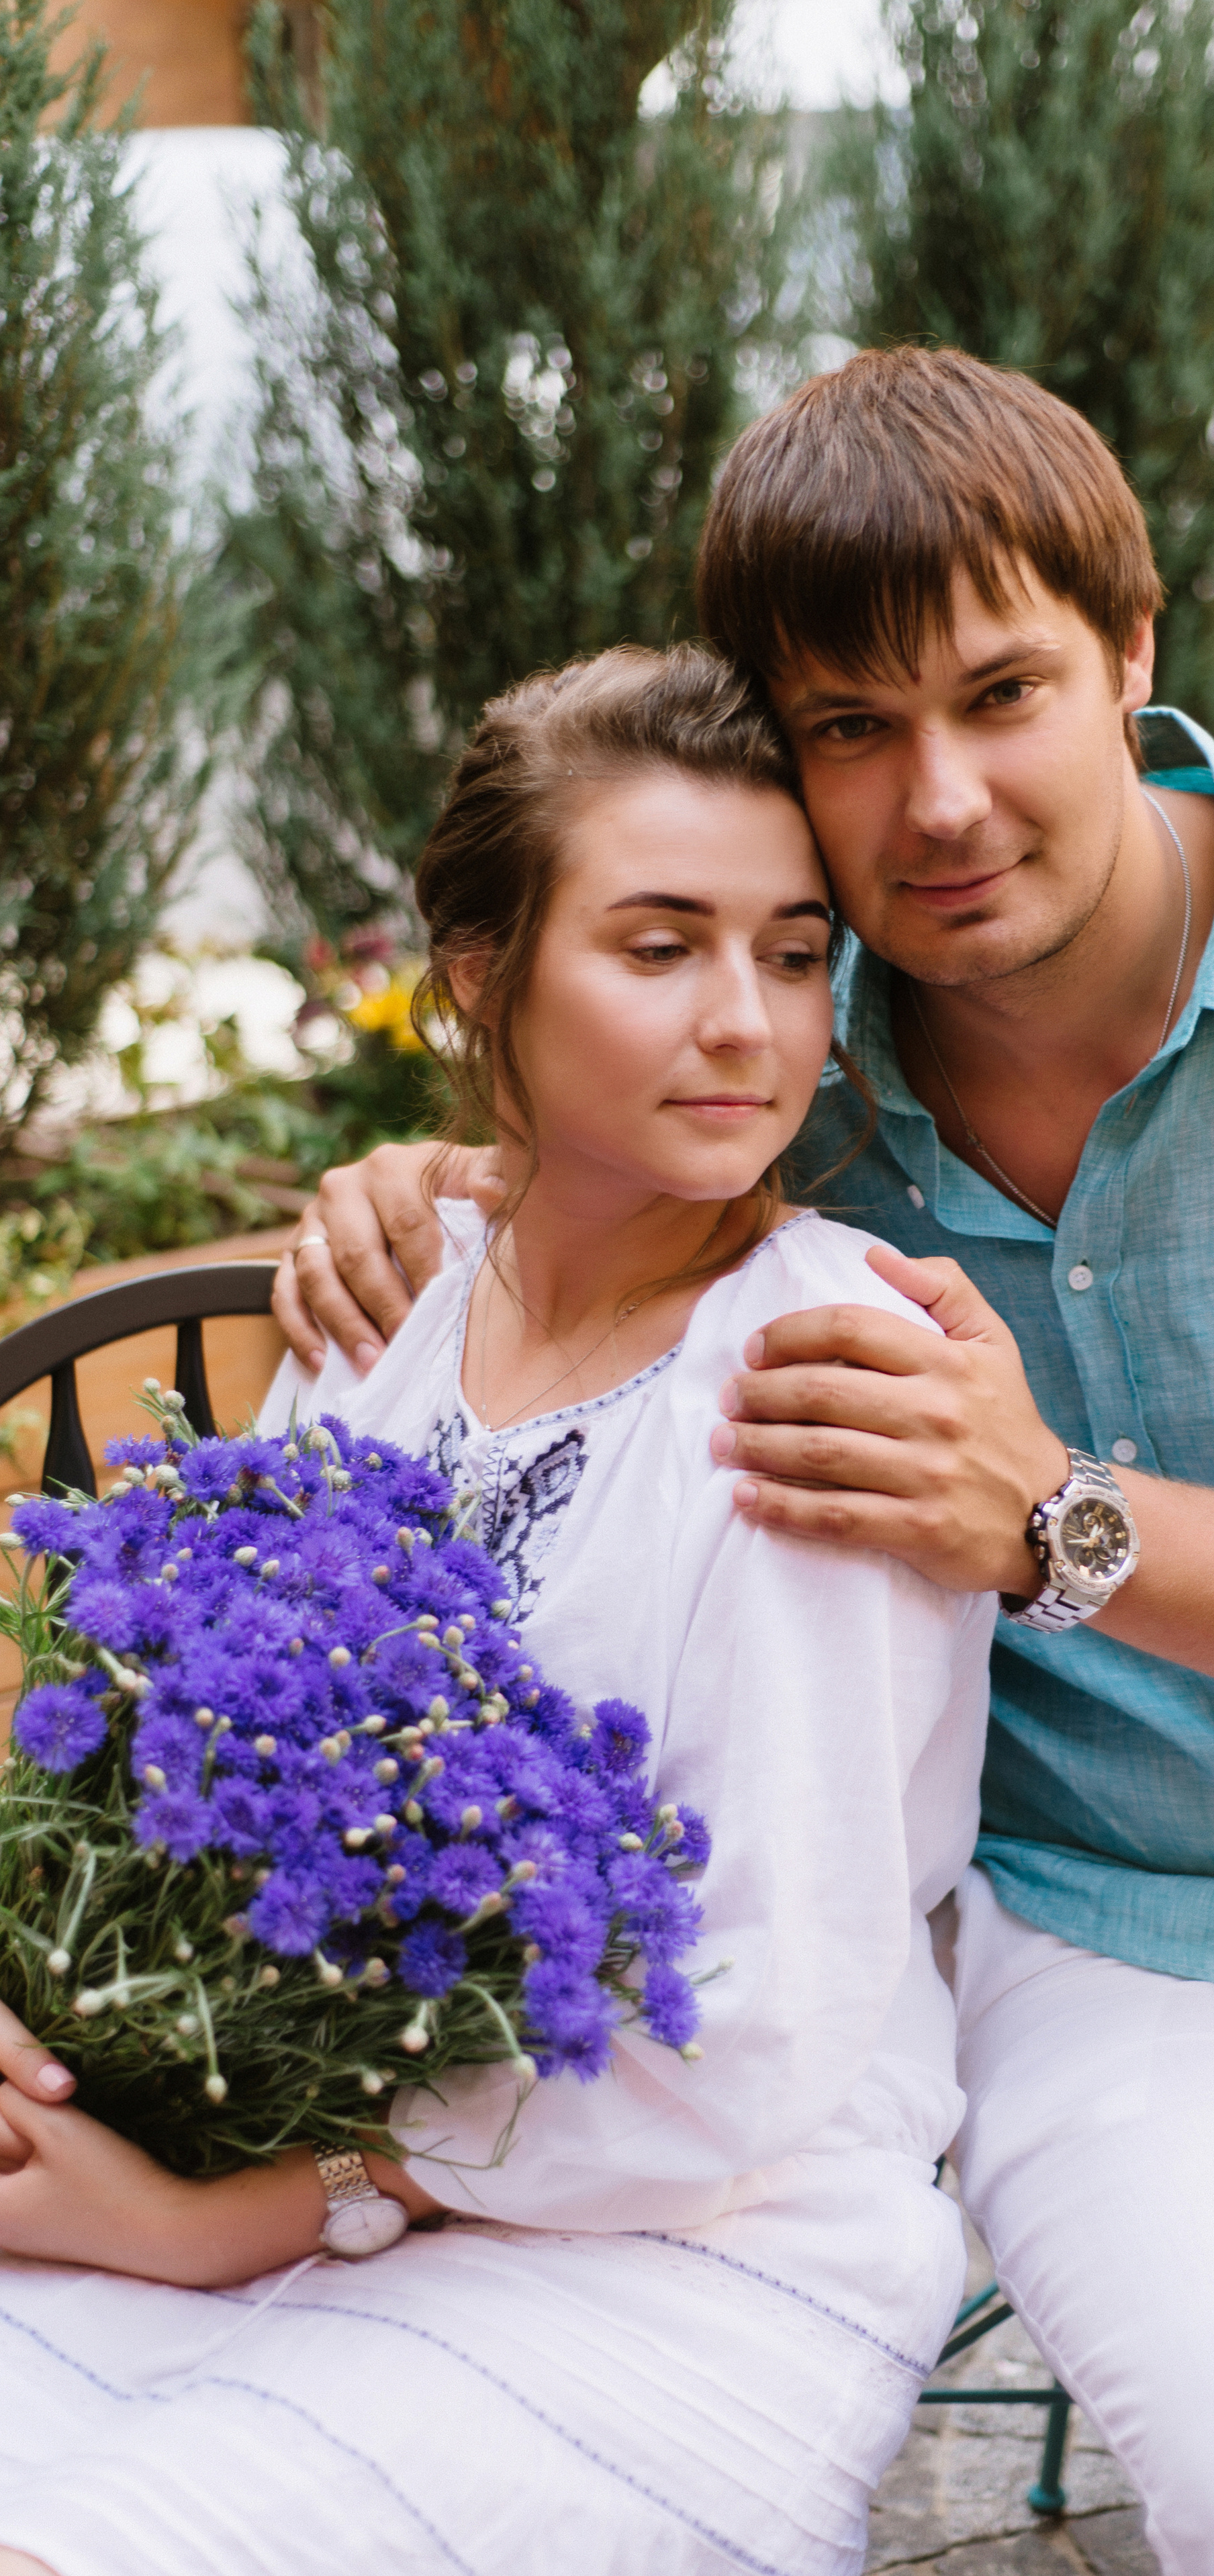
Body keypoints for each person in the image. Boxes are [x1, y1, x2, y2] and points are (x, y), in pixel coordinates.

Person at [277, 348, 1214, 2575]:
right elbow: (572, 1149)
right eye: (852, 727)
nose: (939, 800)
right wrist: (422, 1181)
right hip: (1132, 1944)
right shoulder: (783, 1055)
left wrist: (1062, 1528)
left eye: (1002, 693)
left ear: (1133, 654)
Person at [0, 645, 995, 2576]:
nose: (747, 1022)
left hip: (688, 2243)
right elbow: (186, 1769)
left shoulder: (824, 1373)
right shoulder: (391, 1296)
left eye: (796, 953)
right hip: (281, 2143)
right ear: (479, 970)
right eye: (659, 947)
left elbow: (751, 2037)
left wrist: (242, 2216)